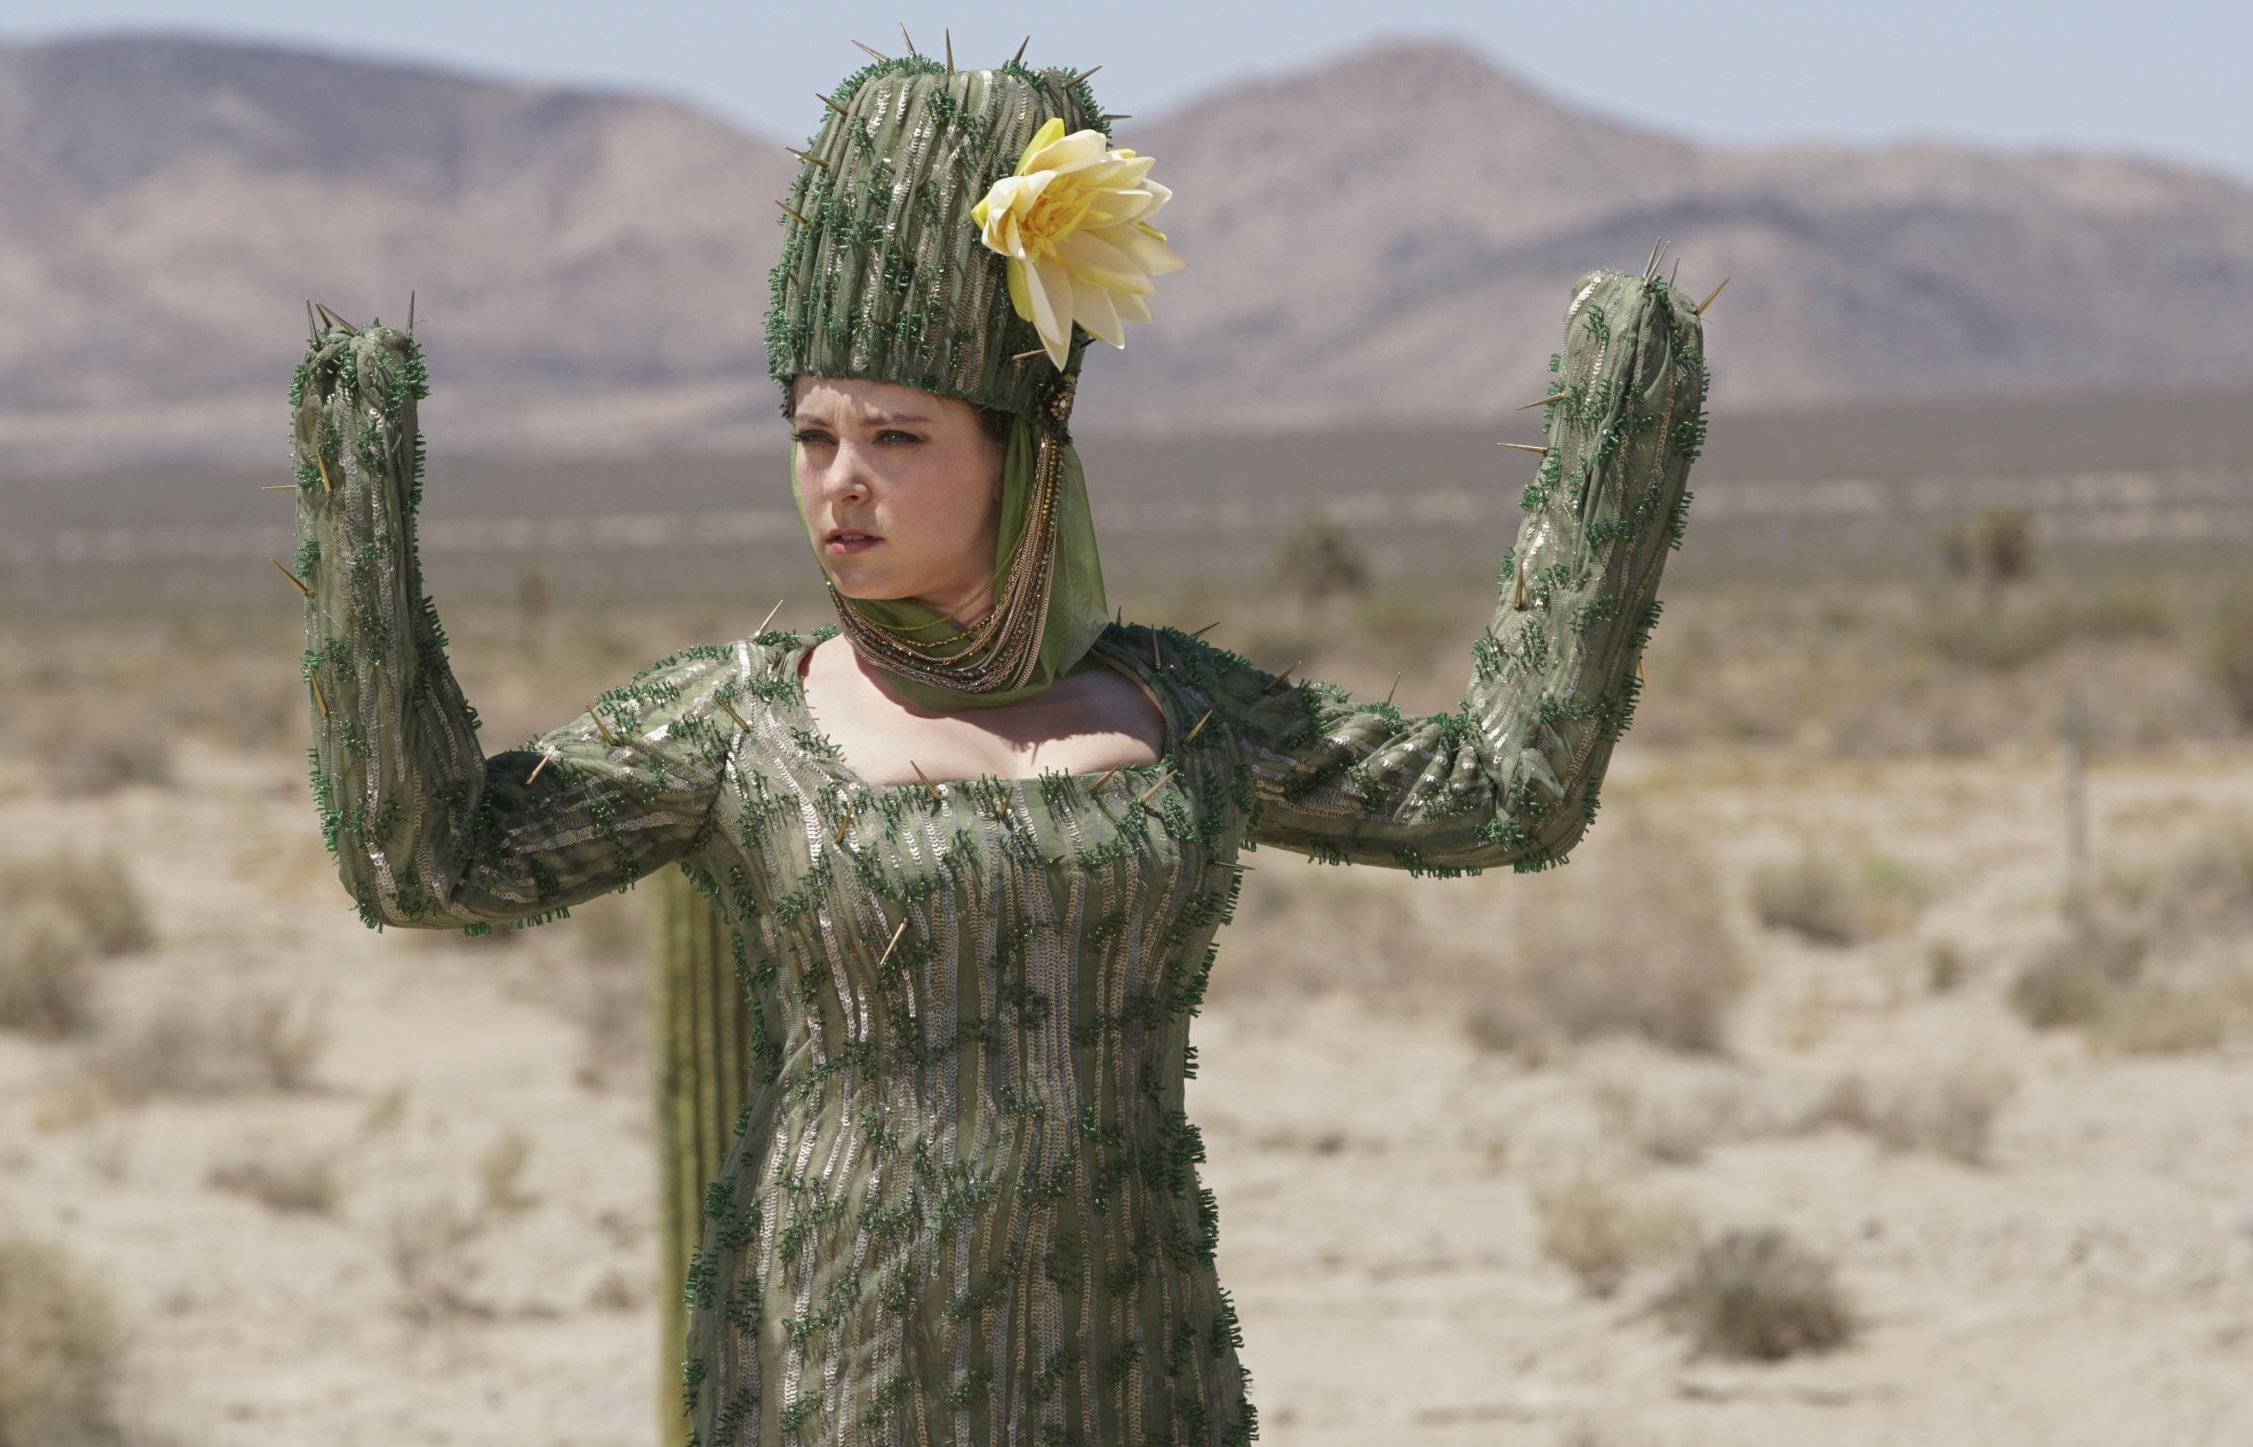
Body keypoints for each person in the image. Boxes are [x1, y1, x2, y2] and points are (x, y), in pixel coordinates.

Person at [285, 41, 1707, 1447]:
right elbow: (428, 867)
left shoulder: (1182, 711)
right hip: (841, 1375)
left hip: (1137, 1367)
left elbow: (1502, 797)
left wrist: (1620, 436)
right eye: (812, 436)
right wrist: (361, 516)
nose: (840, 484)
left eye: (897, 439)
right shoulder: (736, 725)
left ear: (1024, 449)